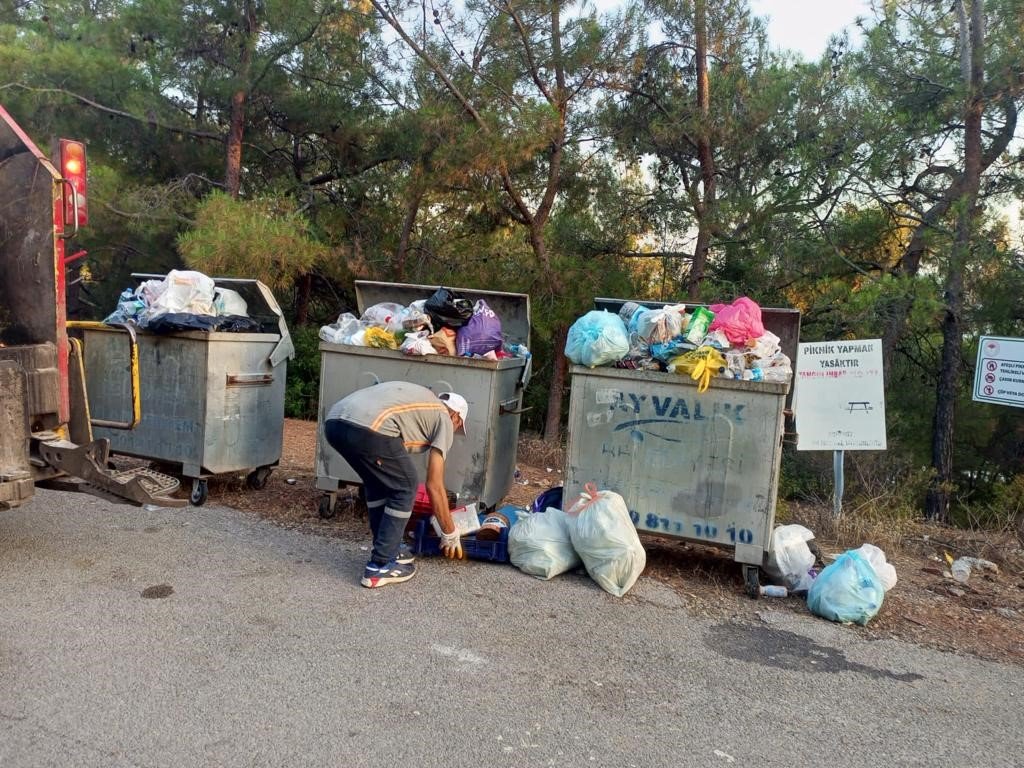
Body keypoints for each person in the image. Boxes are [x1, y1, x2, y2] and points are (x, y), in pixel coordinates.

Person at [323, 381, 469, 588]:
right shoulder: (444, 417)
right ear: (455, 416)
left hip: (335, 423)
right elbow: (434, 485)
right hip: (370, 428)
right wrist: (449, 532)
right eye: (458, 427)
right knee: (406, 486)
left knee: (377, 482)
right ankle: (380, 565)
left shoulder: (421, 402)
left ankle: (387, 547)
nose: (454, 432)